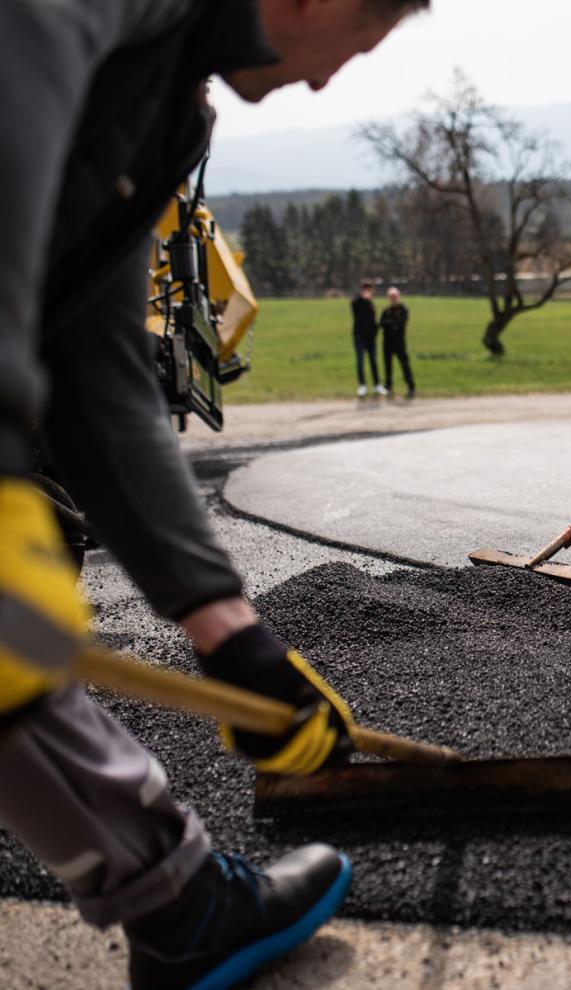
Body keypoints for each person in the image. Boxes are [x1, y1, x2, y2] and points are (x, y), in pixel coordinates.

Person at [0, 2, 428, 989]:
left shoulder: (162, 106)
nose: (325, 83)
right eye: (356, 49)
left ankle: (179, 904)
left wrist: (233, 637)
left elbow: (98, 362)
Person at [351, 281, 387, 396]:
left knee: (374, 362)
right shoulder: (356, 302)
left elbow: (372, 322)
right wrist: (363, 299)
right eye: (365, 289)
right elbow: (356, 312)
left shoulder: (372, 304)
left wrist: (378, 329)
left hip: (371, 339)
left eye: (369, 289)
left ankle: (377, 385)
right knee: (360, 362)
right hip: (359, 337)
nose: (367, 291)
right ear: (362, 290)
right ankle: (362, 386)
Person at [380, 286, 416, 398]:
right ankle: (388, 386)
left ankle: (411, 386)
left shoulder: (403, 309)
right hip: (387, 342)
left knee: (404, 364)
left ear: (398, 297)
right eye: (391, 297)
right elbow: (381, 324)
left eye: (395, 297)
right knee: (388, 366)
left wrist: (390, 324)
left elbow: (400, 324)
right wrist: (392, 324)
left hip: (399, 342)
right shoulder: (386, 310)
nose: (393, 299)